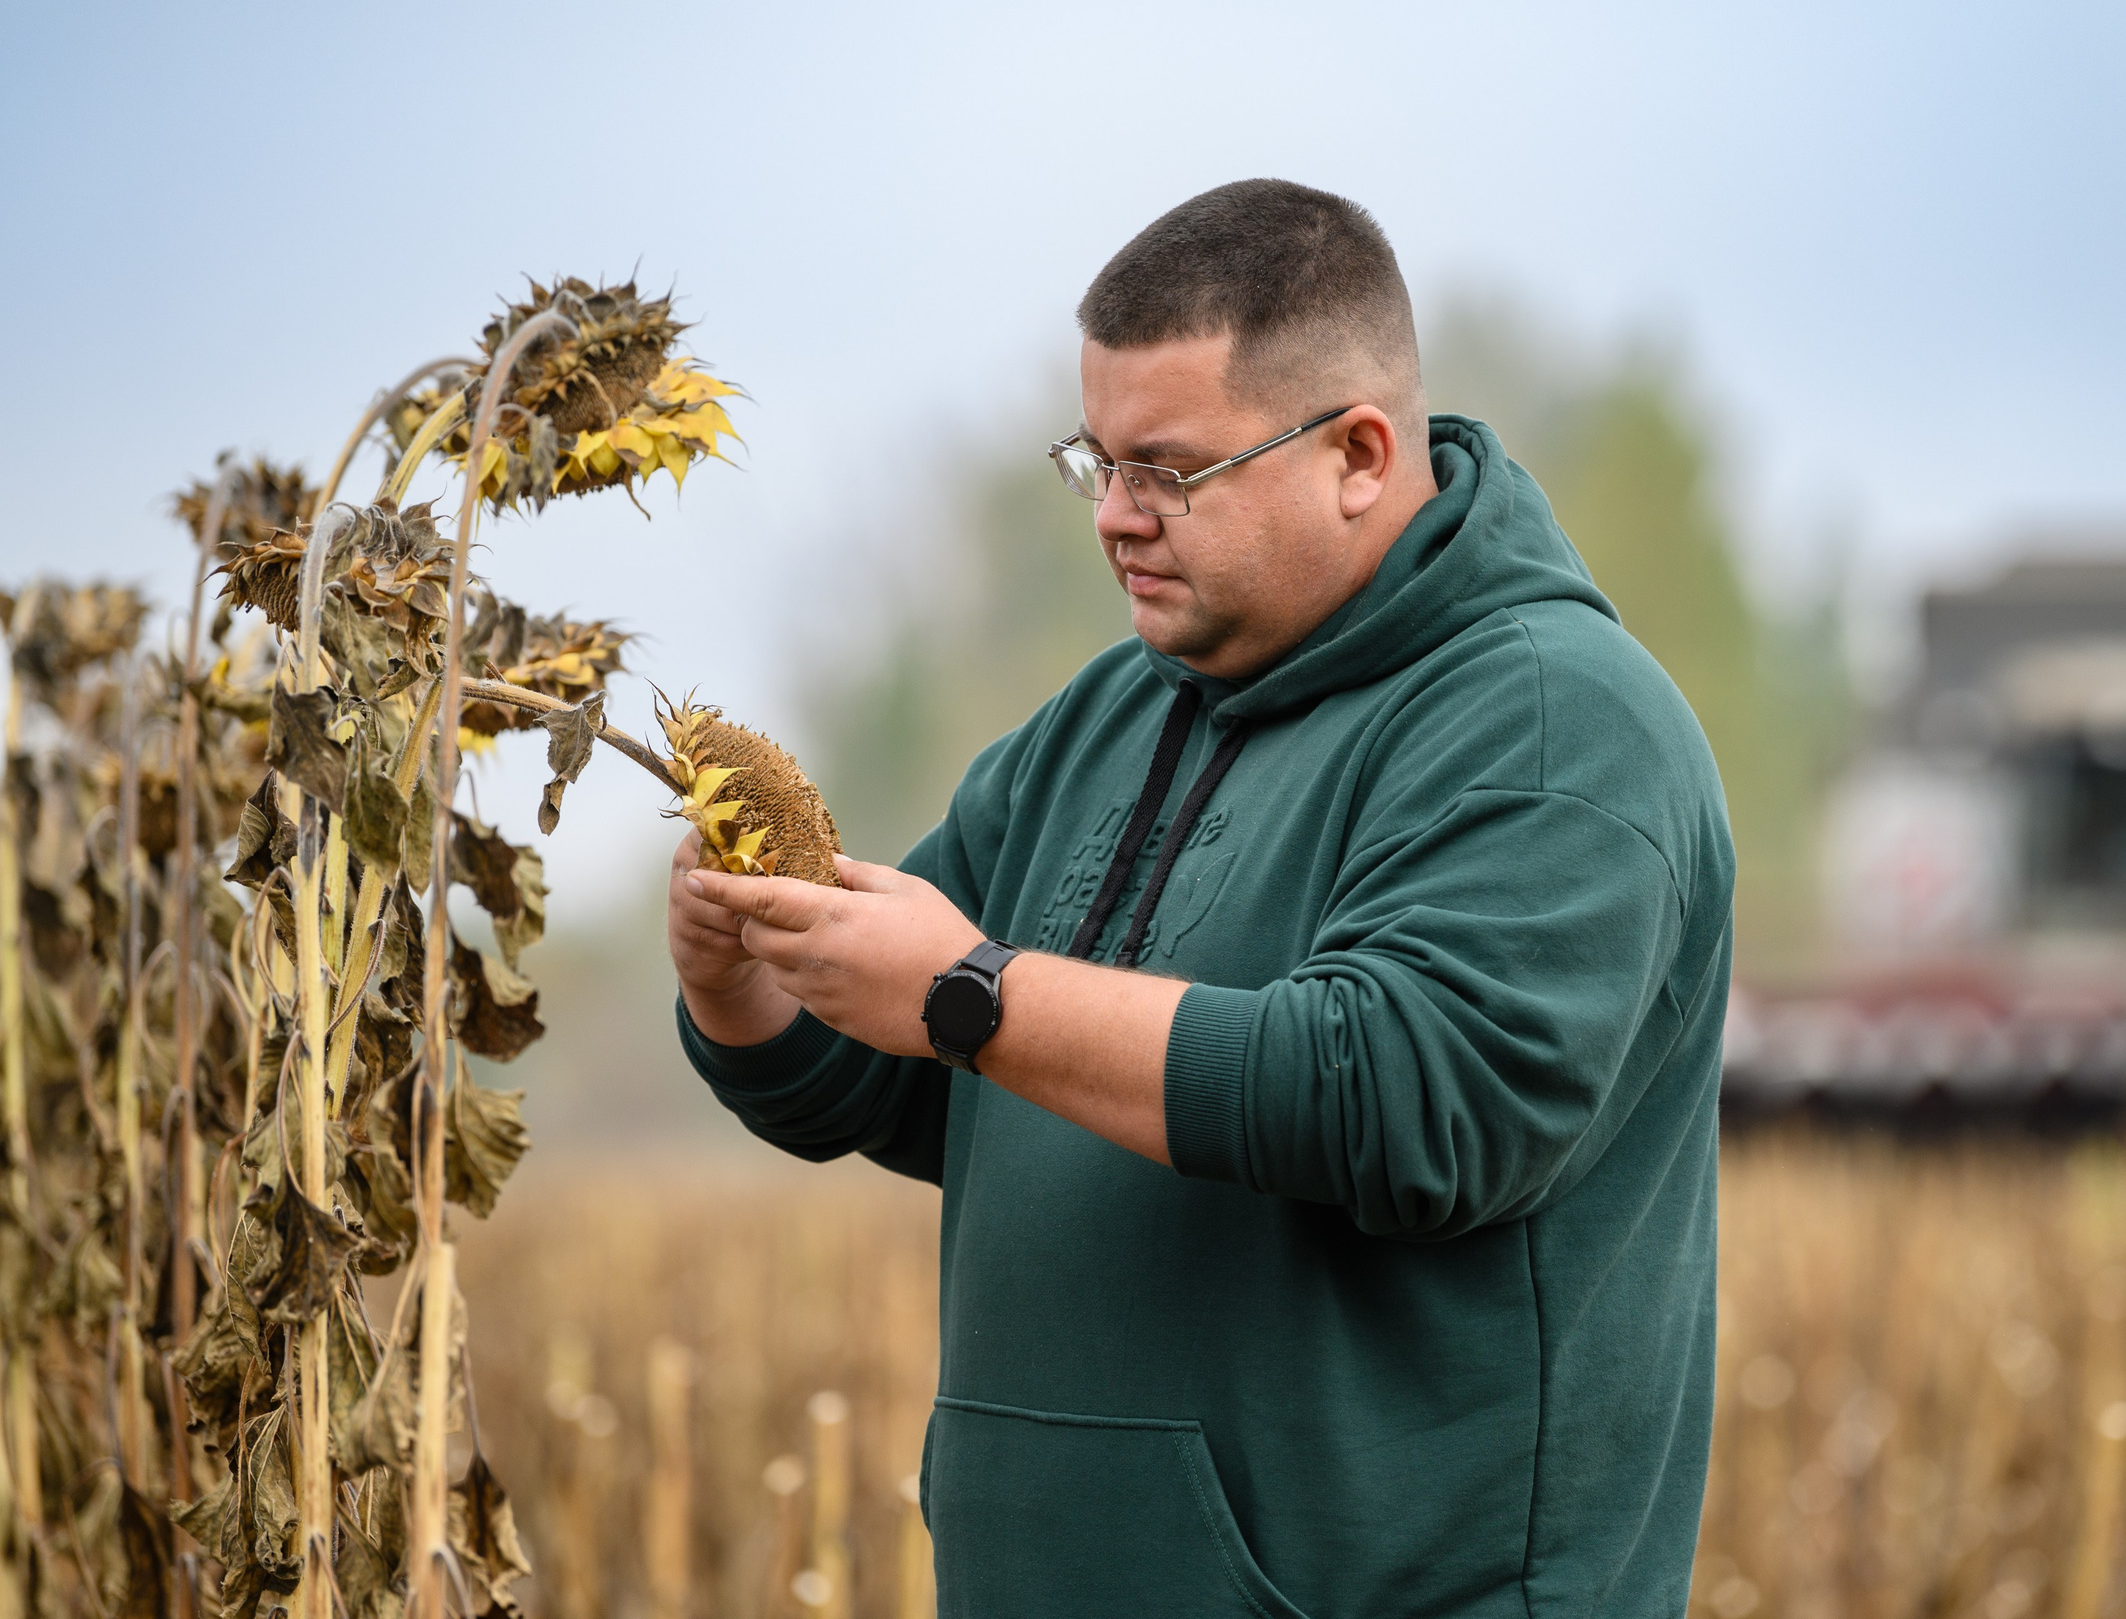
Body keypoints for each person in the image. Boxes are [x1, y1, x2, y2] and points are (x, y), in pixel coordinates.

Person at [669, 178, 1734, 1618]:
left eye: (1168, 471)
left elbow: (1417, 1100)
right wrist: (735, 979)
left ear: (1358, 454)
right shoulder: (1104, 718)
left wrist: (976, 995)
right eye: (1097, 463)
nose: (1115, 518)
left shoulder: (1556, 721)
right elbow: (894, 1075)